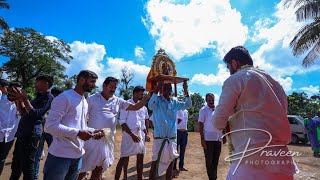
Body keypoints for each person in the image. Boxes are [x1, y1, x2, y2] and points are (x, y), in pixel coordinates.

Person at [212, 46, 297, 179]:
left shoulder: (236, 79)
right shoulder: (276, 84)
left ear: (234, 63)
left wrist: (230, 122)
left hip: (251, 162)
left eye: (228, 67)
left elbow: (218, 121)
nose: (229, 72)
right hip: (282, 161)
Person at [78, 78, 151, 180]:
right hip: (92, 138)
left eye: (115, 88)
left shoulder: (118, 101)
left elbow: (135, 107)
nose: (113, 89)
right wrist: (88, 131)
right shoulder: (92, 99)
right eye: (111, 87)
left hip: (107, 138)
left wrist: (147, 97)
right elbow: (81, 117)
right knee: (83, 169)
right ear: (104, 85)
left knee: (99, 167)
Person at [43, 70, 104, 180]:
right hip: (60, 156)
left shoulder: (84, 101)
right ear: (81, 80)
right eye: (92, 82)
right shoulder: (64, 97)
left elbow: (81, 126)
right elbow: (50, 126)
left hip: (78, 156)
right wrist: (78, 133)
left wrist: (93, 130)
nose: (94, 85)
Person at [9, 76, 54, 180]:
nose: (35, 84)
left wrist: (24, 98)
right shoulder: (38, 97)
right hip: (22, 134)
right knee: (16, 164)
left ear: (46, 83)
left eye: (37, 82)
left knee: (27, 166)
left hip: (31, 135)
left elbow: (36, 114)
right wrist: (19, 100)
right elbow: (23, 112)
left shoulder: (48, 97)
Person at [148, 82, 192, 180]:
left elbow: (188, 105)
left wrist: (185, 90)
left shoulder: (174, 101)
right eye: (165, 88)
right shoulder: (157, 100)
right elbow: (150, 106)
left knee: (171, 162)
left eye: (169, 88)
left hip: (172, 137)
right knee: (155, 161)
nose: (168, 90)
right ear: (162, 89)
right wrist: (157, 89)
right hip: (160, 137)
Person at [115, 86, 150, 180]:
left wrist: (146, 133)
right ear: (135, 93)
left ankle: (139, 177)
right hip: (129, 134)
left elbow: (144, 121)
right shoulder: (126, 104)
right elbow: (122, 122)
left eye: (143, 94)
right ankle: (121, 177)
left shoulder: (143, 107)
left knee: (140, 156)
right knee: (124, 158)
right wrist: (131, 134)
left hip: (140, 134)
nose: (142, 96)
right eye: (140, 94)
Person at [33, 87, 64, 180]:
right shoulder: (47, 101)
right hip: (44, 133)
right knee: (40, 156)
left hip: (49, 133)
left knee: (49, 155)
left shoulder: (59, 104)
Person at [198, 93, 222, 180]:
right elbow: (201, 124)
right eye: (209, 100)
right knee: (209, 160)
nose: (211, 102)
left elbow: (222, 122)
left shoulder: (218, 110)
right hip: (208, 139)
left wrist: (224, 135)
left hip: (218, 138)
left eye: (212, 100)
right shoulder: (203, 110)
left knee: (216, 160)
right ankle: (211, 178)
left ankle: (214, 177)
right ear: (206, 101)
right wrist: (202, 139)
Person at [0, 80, 22, 176]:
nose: (15, 93)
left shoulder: (19, 102)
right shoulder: (1, 99)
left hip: (9, 137)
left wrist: (19, 101)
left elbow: (21, 114)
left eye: (18, 91)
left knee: (1, 159)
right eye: (13, 90)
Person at [173, 109, 189, 177]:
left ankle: (181, 166)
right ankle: (174, 168)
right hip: (177, 132)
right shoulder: (176, 109)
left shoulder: (186, 111)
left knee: (183, 150)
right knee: (175, 150)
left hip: (185, 132)